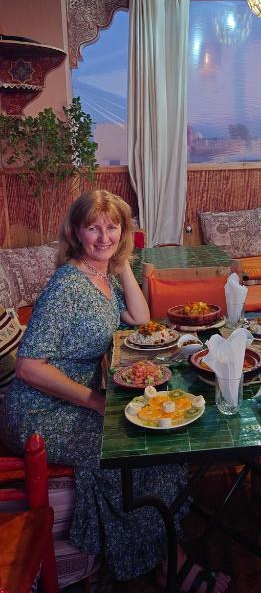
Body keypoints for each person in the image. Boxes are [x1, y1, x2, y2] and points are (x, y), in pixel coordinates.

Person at [0, 190, 230, 593]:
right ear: (76, 231)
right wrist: (94, 402)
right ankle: (170, 566)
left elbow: (141, 319)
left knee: (160, 446)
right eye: (93, 227)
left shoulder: (100, 276)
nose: (103, 237)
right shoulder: (67, 285)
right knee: (142, 458)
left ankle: (163, 555)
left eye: (113, 227)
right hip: (40, 414)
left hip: (76, 399)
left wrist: (122, 264)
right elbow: (28, 366)